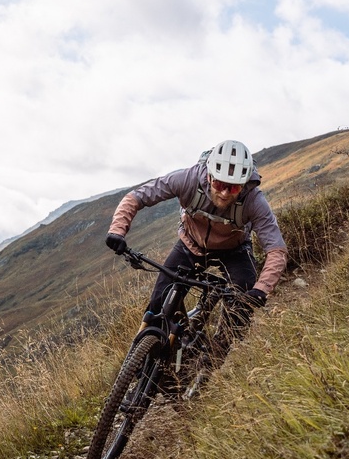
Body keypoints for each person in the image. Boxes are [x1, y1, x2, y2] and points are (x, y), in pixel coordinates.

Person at [106, 139, 287, 363]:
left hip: (235, 250)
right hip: (191, 244)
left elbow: (277, 250)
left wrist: (261, 289)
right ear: (209, 176)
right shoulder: (188, 179)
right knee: (158, 305)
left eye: (233, 187)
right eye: (219, 184)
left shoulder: (254, 201)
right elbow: (137, 197)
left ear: (244, 185)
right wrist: (117, 230)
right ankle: (146, 362)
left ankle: (215, 356)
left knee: (242, 304)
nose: (224, 193)